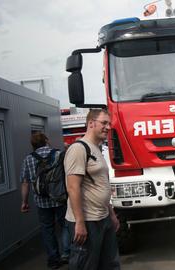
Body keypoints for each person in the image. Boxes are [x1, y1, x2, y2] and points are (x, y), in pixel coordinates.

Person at [64, 109, 120, 270]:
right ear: (91, 123)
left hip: (103, 218)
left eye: (109, 123)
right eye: (104, 123)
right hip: (88, 221)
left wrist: (111, 214)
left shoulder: (97, 148)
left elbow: (101, 184)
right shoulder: (78, 149)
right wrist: (80, 223)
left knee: (110, 265)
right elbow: (73, 188)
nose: (108, 127)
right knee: (86, 265)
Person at [20, 132, 70, 269]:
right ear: (46, 141)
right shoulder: (59, 154)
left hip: (41, 201)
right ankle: (67, 253)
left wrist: (24, 202)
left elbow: (25, 182)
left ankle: (53, 260)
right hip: (60, 198)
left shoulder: (28, 159)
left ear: (33, 145)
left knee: (48, 230)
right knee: (65, 225)